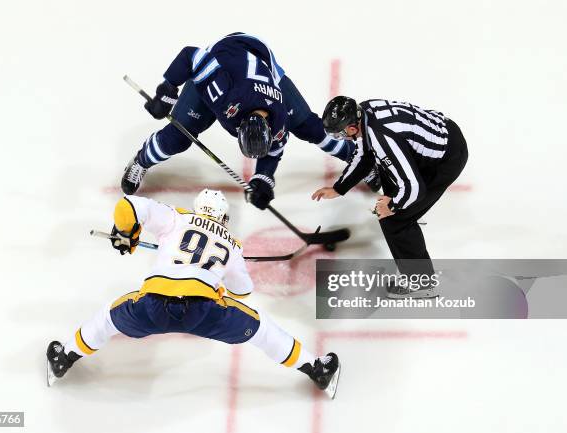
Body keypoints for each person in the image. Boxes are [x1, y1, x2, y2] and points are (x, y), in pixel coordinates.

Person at [46, 189, 341, 398]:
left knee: (109, 317)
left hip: (153, 306)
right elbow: (244, 291)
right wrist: (220, 281)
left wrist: (128, 233)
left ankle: (64, 358)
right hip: (205, 312)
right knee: (262, 329)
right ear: (224, 218)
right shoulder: (233, 245)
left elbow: (127, 208)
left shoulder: (177, 217)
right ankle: (316, 369)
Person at [120, 32, 361, 210]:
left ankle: (358, 157)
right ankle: (141, 161)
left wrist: (262, 179)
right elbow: (191, 55)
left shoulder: (280, 120)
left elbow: (273, 152)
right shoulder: (222, 91)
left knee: (308, 126)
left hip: (261, 62)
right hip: (227, 59)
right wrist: (168, 89)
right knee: (178, 138)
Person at [312, 96, 468, 299]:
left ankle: (422, 283)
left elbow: (413, 187)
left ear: (351, 128)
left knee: (395, 221)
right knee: (391, 181)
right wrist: (339, 188)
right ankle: (408, 212)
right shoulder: (365, 111)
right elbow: (365, 154)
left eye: (340, 134)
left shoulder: (382, 138)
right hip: (439, 135)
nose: (342, 138)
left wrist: (394, 206)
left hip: (446, 159)